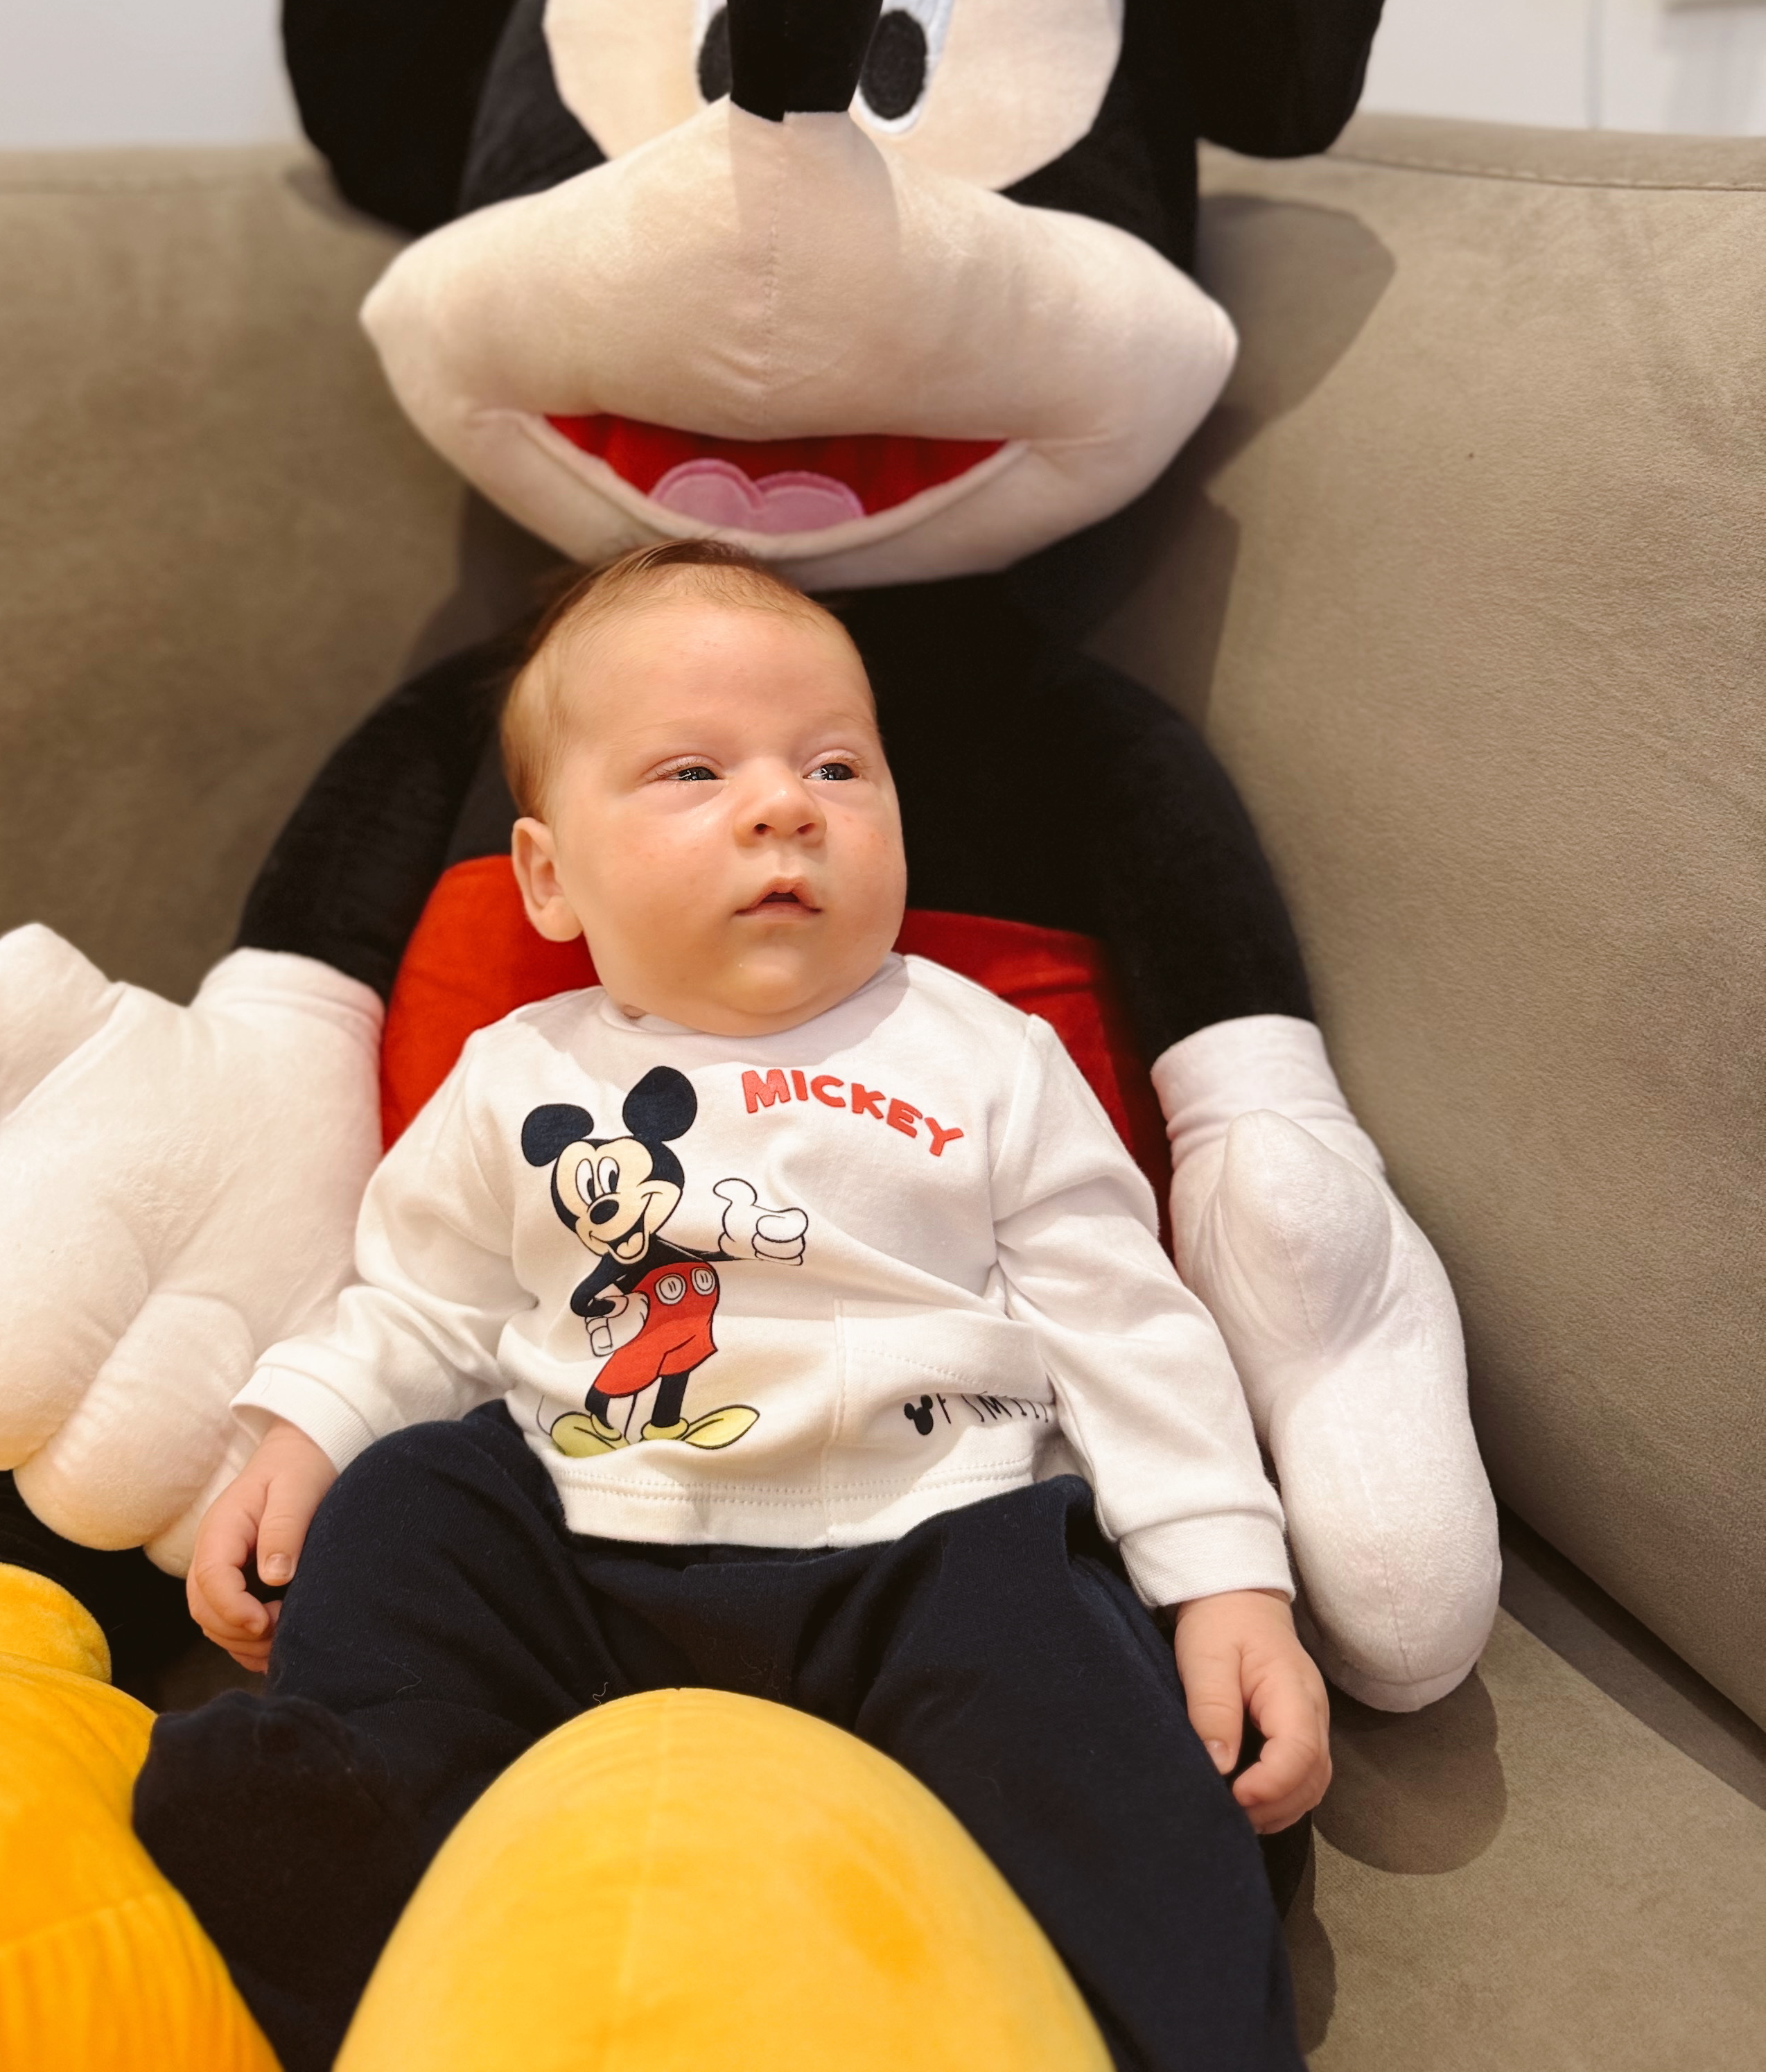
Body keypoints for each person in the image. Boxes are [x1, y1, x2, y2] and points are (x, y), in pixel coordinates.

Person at [134, 540, 1327, 2072]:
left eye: (838, 766)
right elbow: (419, 1304)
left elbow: (1125, 1325)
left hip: (927, 1541)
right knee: (417, 1498)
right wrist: (303, 1435)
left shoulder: (985, 1053)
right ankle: (361, 1814)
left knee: (1064, 1667)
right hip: (583, 1540)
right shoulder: (518, 1074)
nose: (786, 807)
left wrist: (1227, 1581)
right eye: (693, 772)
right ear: (549, 877)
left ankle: (1161, 1971)